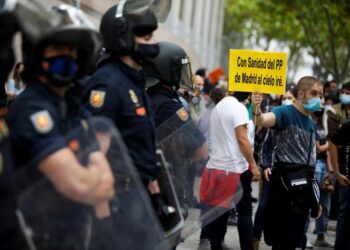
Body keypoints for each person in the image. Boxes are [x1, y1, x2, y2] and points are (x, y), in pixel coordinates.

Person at [6, 5, 115, 249]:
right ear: (37, 54)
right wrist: (90, 179)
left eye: (73, 51)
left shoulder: (74, 106)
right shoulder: (31, 109)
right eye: (57, 49)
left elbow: (106, 186)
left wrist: (90, 181)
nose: (67, 57)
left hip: (71, 236)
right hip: (33, 239)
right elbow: (80, 185)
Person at [83, 4, 171, 245]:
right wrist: (103, 214)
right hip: (115, 201)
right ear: (122, 36)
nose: (152, 43)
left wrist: (155, 194)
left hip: (137, 197)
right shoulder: (108, 84)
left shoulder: (133, 81)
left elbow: (141, 146)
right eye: (146, 37)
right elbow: (93, 152)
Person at [143, 41, 208, 247]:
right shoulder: (172, 107)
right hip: (167, 188)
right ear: (168, 71)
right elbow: (201, 150)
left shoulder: (141, 97)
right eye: (179, 70)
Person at [252, 76, 322, 250]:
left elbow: (311, 162)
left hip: (303, 192)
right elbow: (262, 121)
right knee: (282, 241)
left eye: (320, 95)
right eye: (314, 93)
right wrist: (256, 107)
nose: (318, 98)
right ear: (301, 93)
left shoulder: (311, 123)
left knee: (294, 240)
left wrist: (315, 199)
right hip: (285, 190)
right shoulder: (284, 112)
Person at [199, 91, 261, 250]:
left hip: (217, 168)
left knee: (220, 211)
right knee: (245, 211)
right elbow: (242, 139)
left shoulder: (218, 107)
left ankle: (215, 246)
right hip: (235, 169)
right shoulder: (239, 108)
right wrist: (253, 165)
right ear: (247, 98)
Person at [329, 120, 350, 250]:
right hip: (347, 182)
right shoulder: (349, 126)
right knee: (346, 218)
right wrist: (336, 172)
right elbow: (333, 143)